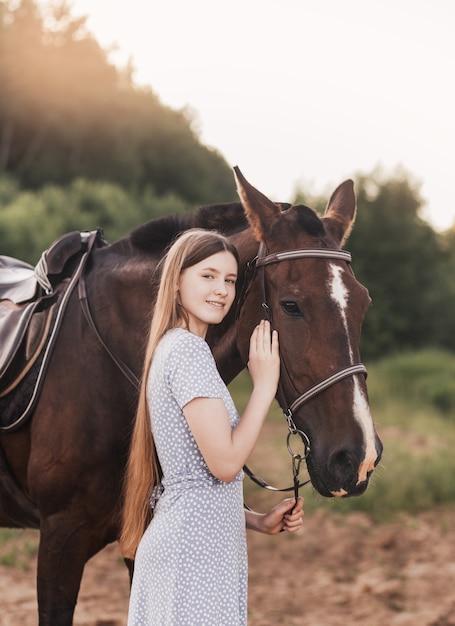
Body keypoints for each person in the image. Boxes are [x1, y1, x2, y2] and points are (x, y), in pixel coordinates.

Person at [120, 229, 304, 626]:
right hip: (193, 553)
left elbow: (195, 480)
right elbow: (223, 464)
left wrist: (255, 520)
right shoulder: (187, 352)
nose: (221, 289)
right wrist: (265, 385)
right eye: (208, 276)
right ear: (177, 282)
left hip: (197, 547)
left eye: (230, 280)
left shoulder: (176, 348)